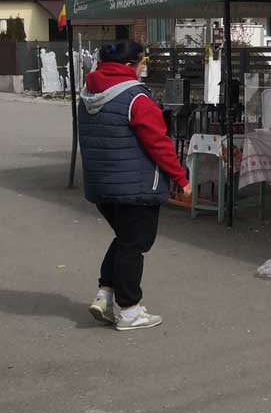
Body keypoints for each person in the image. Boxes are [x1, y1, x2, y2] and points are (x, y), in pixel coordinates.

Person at [78, 40, 191, 331]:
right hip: (135, 187)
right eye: (142, 62)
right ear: (130, 65)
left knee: (125, 239)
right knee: (134, 244)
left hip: (101, 185)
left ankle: (104, 293)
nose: (143, 68)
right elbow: (158, 143)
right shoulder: (136, 98)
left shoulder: (89, 92)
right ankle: (129, 310)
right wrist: (181, 178)